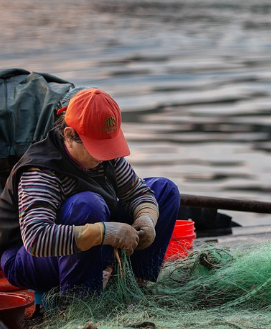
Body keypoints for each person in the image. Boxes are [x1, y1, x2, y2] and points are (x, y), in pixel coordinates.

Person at [0, 88, 180, 296]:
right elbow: (36, 239)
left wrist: (146, 219)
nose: (104, 157)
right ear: (69, 135)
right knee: (87, 204)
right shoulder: (40, 172)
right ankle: (81, 297)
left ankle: (135, 281)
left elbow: (138, 193)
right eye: (96, 148)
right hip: (30, 258)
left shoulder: (107, 158)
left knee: (164, 189)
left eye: (108, 146)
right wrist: (105, 233)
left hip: (89, 242)